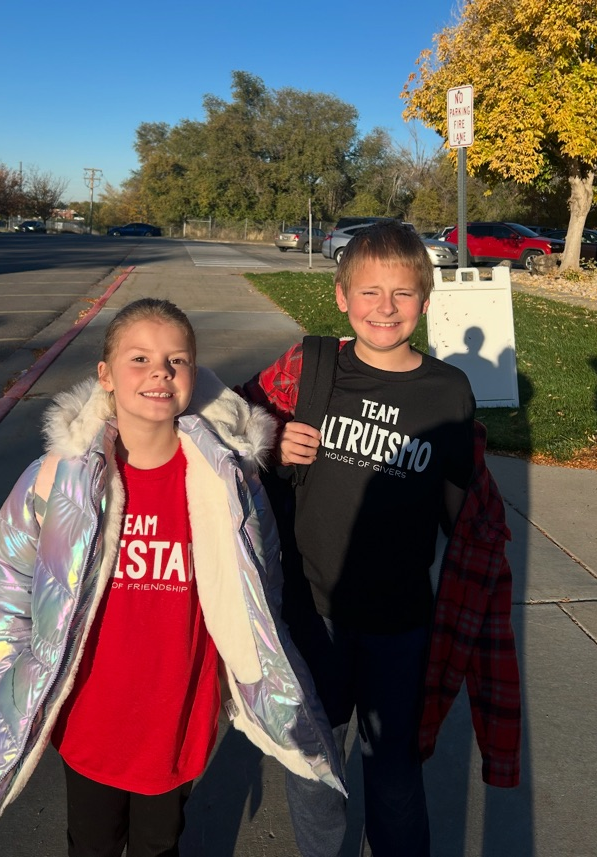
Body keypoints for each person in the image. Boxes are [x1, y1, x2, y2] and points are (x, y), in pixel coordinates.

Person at [0, 298, 344, 857]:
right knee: (90, 844)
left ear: (194, 375)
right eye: (139, 359)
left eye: (176, 360)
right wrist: (4, 681)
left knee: (161, 844)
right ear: (105, 376)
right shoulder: (57, 480)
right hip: (89, 717)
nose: (159, 372)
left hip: (176, 716)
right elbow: (10, 580)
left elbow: (261, 585)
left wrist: (240, 679)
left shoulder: (225, 483)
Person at [240, 222, 521, 857]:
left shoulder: (447, 391)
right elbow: (227, 424)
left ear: (425, 300)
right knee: (315, 769)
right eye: (369, 292)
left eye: (401, 293)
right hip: (313, 614)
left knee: (394, 774)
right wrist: (271, 441)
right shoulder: (311, 367)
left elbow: (467, 509)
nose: (384, 308)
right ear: (342, 296)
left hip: (402, 623)